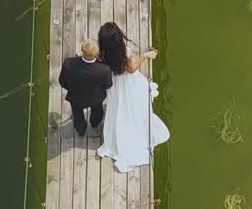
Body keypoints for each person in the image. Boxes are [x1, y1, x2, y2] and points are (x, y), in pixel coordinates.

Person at [95, 22, 169, 173]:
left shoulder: (102, 54)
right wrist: (145, 56)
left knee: (118, 106)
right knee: (131, 106)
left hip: (115, 85)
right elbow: (132, 69)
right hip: (127, 84)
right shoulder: (124, 55)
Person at [58, 39, 113, 137]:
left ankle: (81, 131)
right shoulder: (104, 69)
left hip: (76, 98)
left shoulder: (68, 64)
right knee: (97, 112)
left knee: (77, 116)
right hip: (96, 98)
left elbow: (62, 82)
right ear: (97, 52)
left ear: (82, 50)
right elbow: (108, 85)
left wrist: (72, 89)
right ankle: (95, 124)